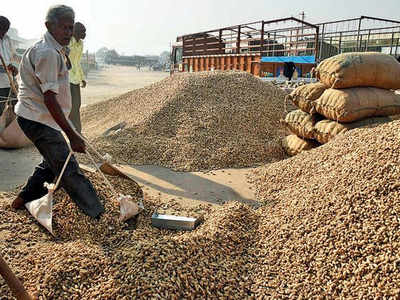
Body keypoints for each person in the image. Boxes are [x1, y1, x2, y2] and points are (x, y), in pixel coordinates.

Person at [11, 5, 104, 219]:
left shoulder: (55, 48)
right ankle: (98, 215)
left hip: (41, 116)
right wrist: (72, 135)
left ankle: (21, 200)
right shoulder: (47, 53)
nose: (69, 33)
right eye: (64, 28)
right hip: (36, 117)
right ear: (48, 25)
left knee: (52, 163)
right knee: (68, 167)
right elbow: (50, 99)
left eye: (71, 28)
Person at [68, 22, 86, 133]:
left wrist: (82, 78)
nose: (84, 34)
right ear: (75, 31)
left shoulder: (81, 44)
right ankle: (74, 132)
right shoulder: (68, 41)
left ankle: (77, 132)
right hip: (66, 78)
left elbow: (77, 62)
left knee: (76, 105)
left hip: (75, 79)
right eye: (82, 32)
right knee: (71, 107)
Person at [0, 16, 19, 115]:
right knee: (1, 111)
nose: (3, 33)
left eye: (5, 30)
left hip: (10, 81)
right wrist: (5, 68)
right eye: (2, 30)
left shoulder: (7, 39)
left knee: (16, 109)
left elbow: (14, 56)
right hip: (0, 84)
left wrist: (29, 60)